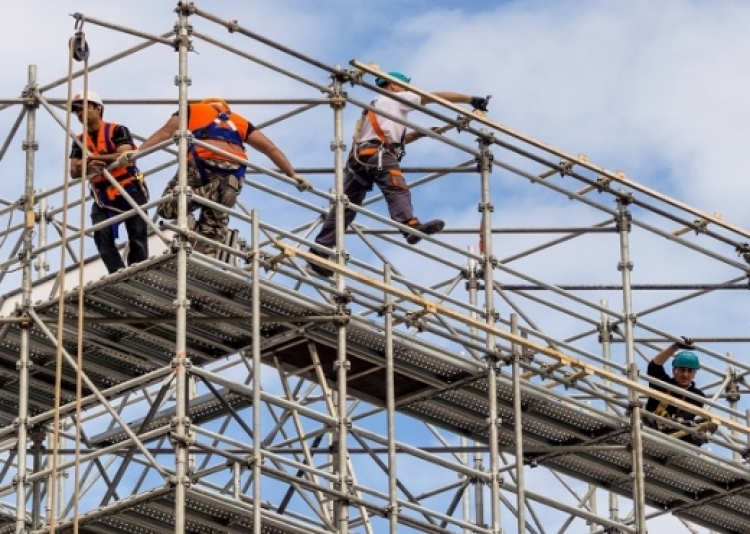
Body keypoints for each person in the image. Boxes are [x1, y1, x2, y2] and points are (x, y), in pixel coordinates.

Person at [307, 71, 490, 278]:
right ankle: (409, 226)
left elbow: (386, 137)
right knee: (396, 187)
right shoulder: (396, 98)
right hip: (379, 155)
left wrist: (418, 134)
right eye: (404, 87)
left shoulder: (375, 104)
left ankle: (319, 249)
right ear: (393, 86)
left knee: (344, 207)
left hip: (361, 158)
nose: (407, 92)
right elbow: (432, 96)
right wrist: (470, 99)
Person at [117, 98, 309, 257]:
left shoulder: (192, 110)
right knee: (212, 232)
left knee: (167, 208)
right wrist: (292, 174)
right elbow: (270, 148)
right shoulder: (240, 121)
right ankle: (204, 258)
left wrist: (137, 153)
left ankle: (213, 191)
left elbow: (166, 132)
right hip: (233, 172)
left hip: (200, 165)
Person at [69, 90, 149, 274]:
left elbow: (126, 155)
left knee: (137, 232)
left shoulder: (117, 130)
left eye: (83, 109)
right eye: (77, 111)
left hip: (128, 187)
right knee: (101, 235)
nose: (80, 114)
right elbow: (74, 171)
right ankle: (118, 273)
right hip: (103, 194)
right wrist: (88, 164)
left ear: (98, 109)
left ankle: (139, 272)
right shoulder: (79, 141)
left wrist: (99, 159)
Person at [644, 337, 717, 445]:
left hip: (676, 436)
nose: (685, 374)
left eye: (689, 371)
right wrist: (675, 347)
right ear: (674, 371)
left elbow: (685, 417)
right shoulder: (663, 384)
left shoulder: (696, 396)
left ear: (694, 374)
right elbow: (654, 366)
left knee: (705, 425)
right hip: (651, 428)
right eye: (682, 370)